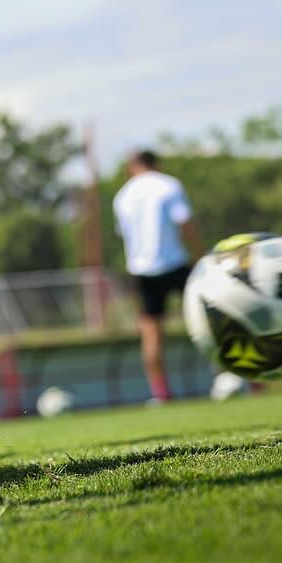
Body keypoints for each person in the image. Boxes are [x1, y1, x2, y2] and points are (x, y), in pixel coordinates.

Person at [112, 150, 203, 403]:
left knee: (151, 333)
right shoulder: (169, 184)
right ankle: (231, 376)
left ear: (132, 166)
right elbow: (185, 224)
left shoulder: (123, 195)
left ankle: (160, 393)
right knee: (210, 318)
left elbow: (125, 235)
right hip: (175, 263)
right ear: (157, 163)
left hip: (141, 270)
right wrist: (201, 258)